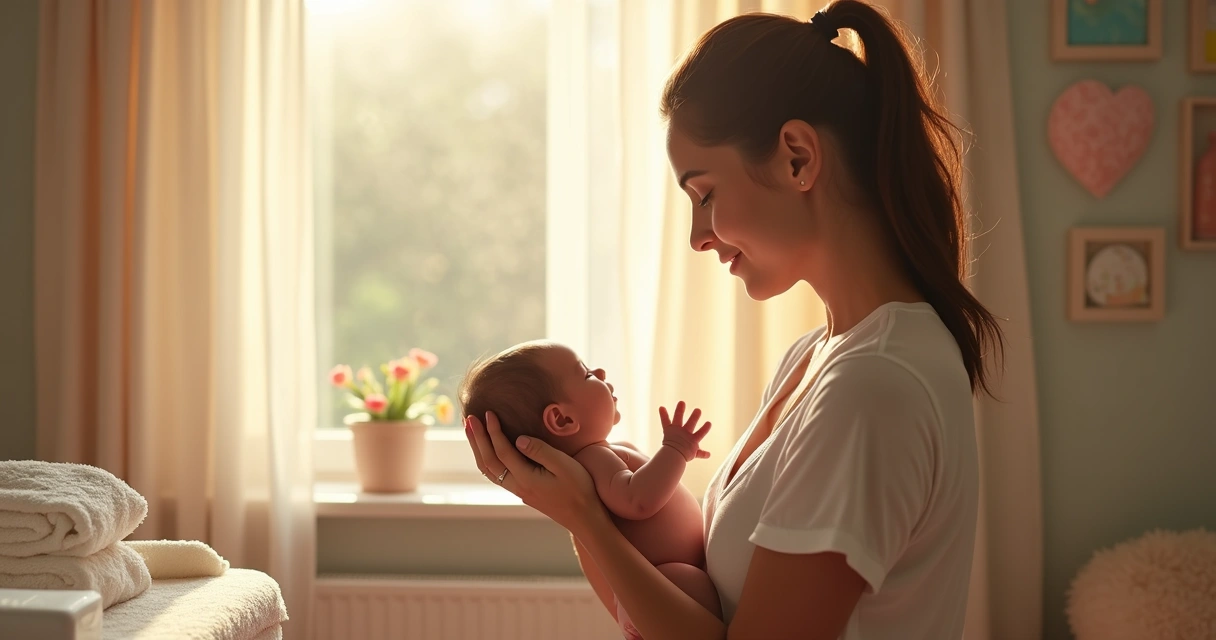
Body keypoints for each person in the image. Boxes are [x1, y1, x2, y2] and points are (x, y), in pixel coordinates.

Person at [465, 1, 1004, 638]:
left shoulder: (871, 387)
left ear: (797, 158)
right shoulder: (816, 356)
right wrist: (581, 511)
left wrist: (586, 517)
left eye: (705, 194)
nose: (698, 236)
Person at [457, 340, 722, 639]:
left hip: (660, 585)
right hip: (671, 581)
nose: (600, 372)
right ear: (562, 419)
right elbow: (638, 500)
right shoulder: (593, 459)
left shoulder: (600, 457)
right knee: (693, 583)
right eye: (586, 373)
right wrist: (675, 450)